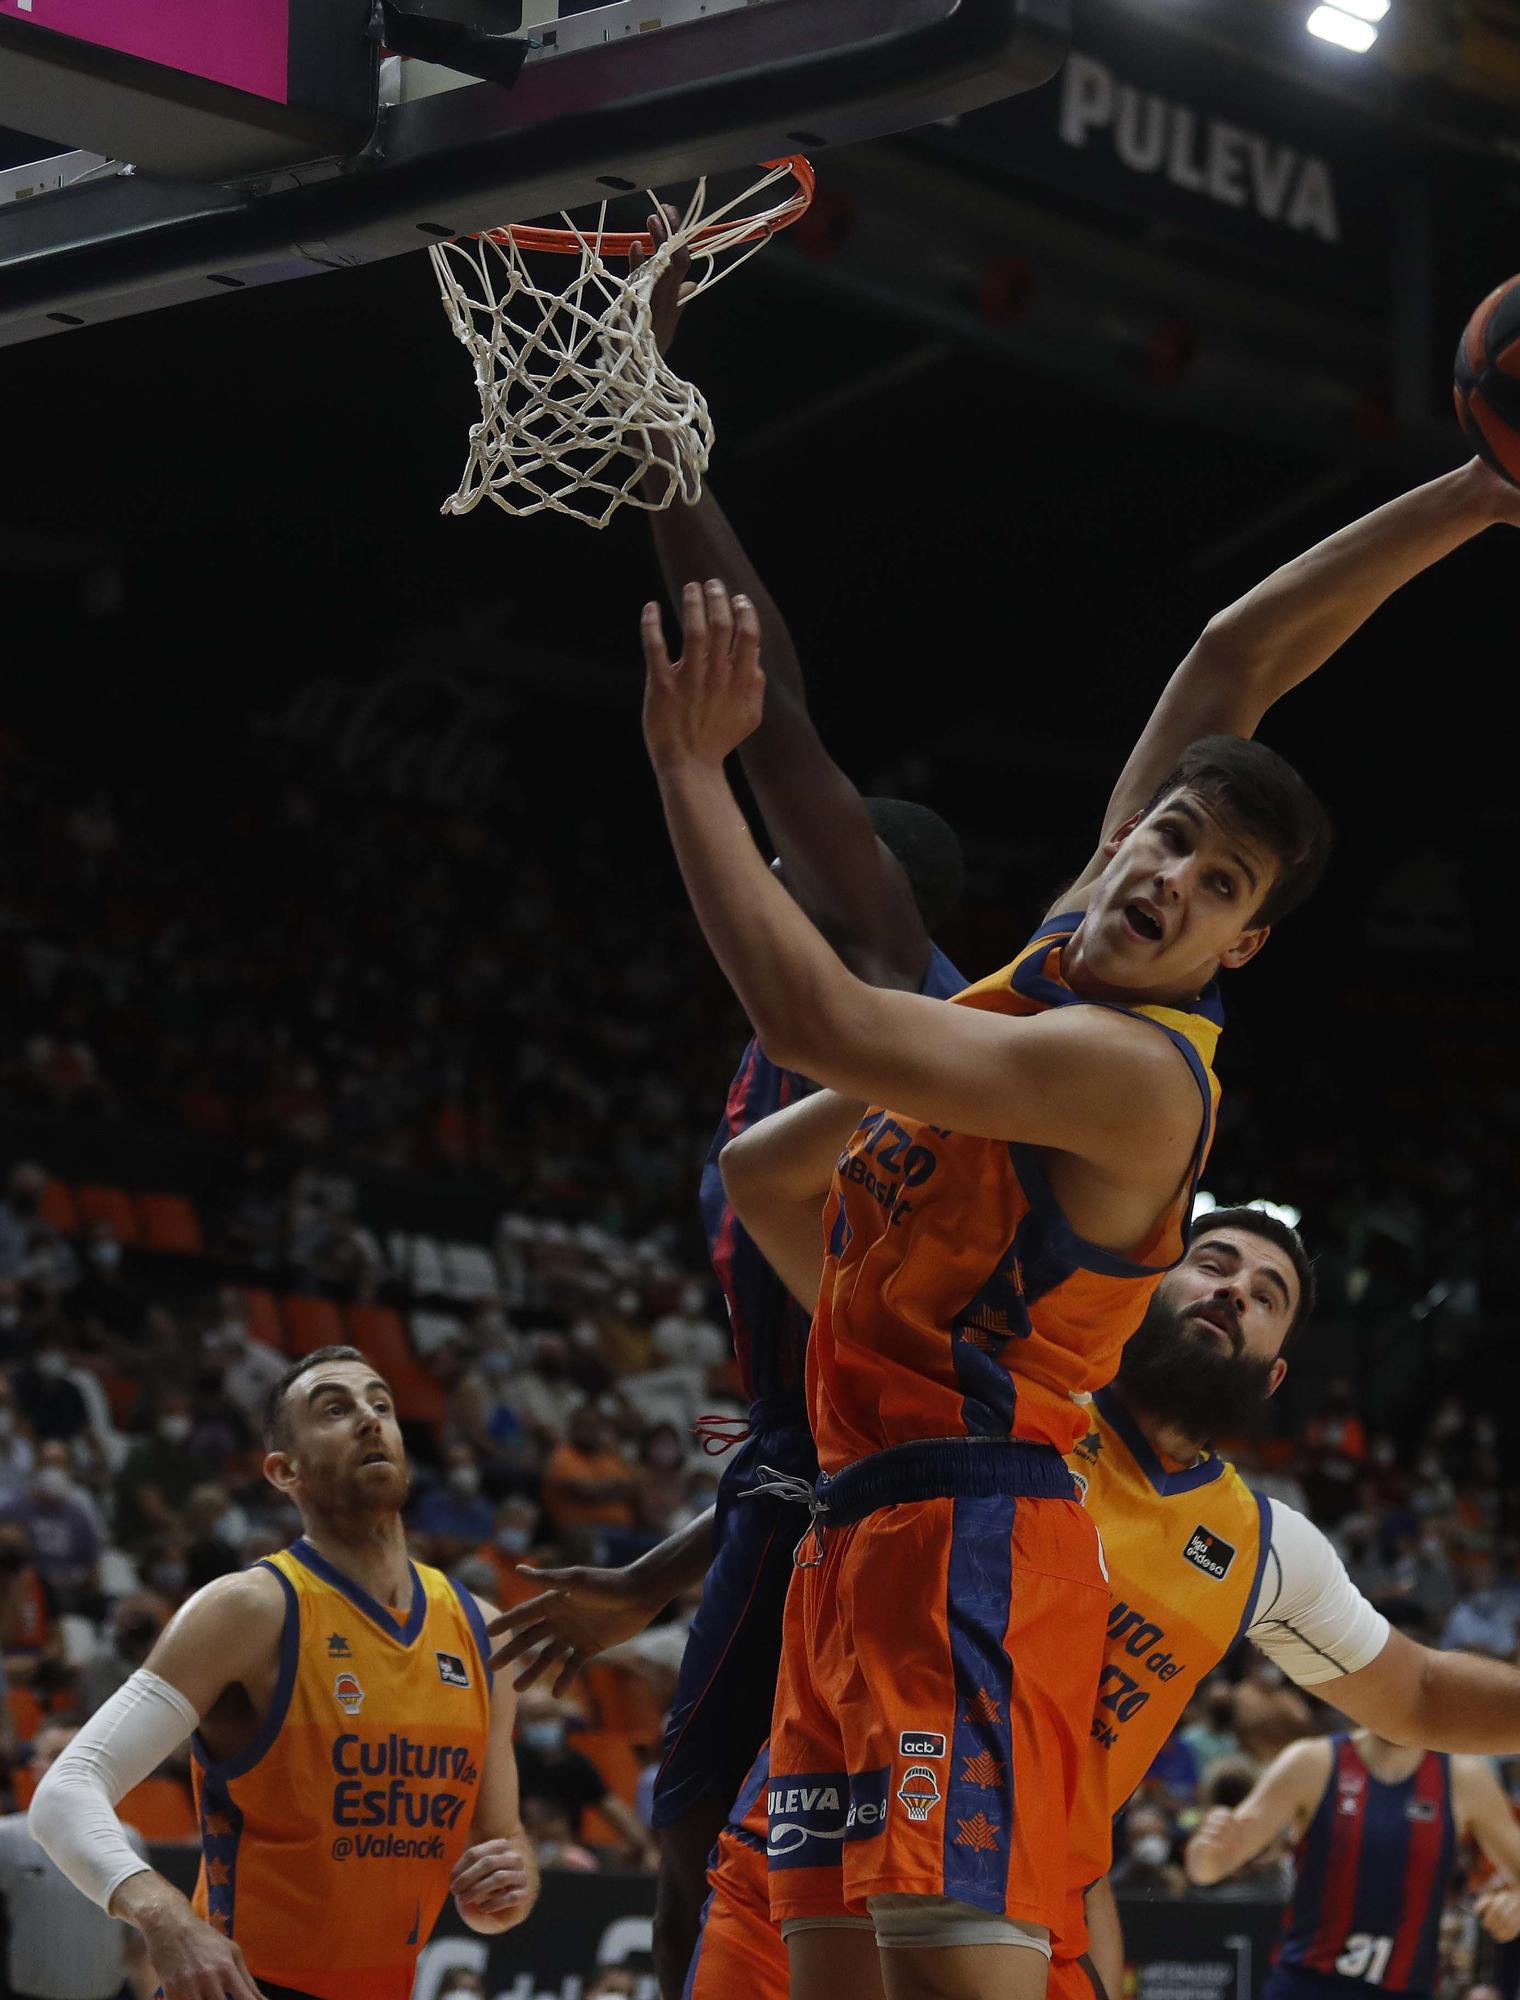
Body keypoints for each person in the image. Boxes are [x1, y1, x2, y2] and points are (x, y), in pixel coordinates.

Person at [641, 428, 1520, 1996]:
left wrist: (688, 771)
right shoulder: (1058, 953)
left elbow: (818, 1019)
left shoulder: (1135, 1075)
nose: (1173, 873)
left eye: (1223, 884)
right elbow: (1233, 655)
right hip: (854, 1528)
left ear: (1234, 948)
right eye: (1169, 836)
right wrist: (1469, 497)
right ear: (1122, 837)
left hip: (971, 1533)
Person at [496, 1205, 1520, 2000]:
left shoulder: (1262, 1543)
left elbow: (1406, 1685)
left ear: (1276, 1367)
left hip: (1028, 1894)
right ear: (1141, 1283)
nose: (1235, 1288)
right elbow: (811, 1472)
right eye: (1212, 1261)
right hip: (831, 1832)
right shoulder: (1015, 1404)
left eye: (1267, 1291)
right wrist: (651, 1585)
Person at [608, 212, 970, 2000]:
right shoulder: (778, 1038)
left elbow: (778, 720)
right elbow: (771, 1408)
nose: (765, 861)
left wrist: (663, 421)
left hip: (886, 1482)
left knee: (745, 1836)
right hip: (791, 1468)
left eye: (798, 856)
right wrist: (644, 1572)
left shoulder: (897, 987)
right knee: (706, 1826)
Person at [29, 1344, 538, 2000]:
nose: (368, 1418)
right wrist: (168, 1919)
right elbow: (66, 1789)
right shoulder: (249, 1609)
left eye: (381, 1404)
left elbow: (504, 1843)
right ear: (282, 1470)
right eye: (335, 1408)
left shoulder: (480, 1630)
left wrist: (512, 1881)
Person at [1185, 1730, 1520, 1998]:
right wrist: (1207, 1843)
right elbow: (1207, 1869)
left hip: (1406, 1987)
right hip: (1308, 1983)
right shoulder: (1312, 1762)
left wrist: (1519, 1907)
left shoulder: (1463, 1778)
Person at [0, 1721, 156, 2000]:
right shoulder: (6, 1838)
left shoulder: (128, 1839)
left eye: (80, 1754)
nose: (70, 1766)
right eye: (58, 1754)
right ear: (35, 1769)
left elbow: (138, 1946)